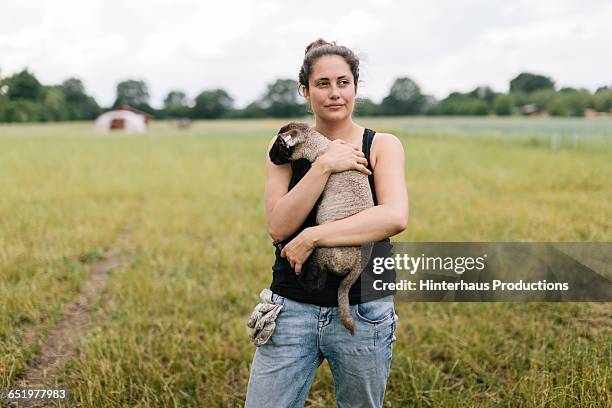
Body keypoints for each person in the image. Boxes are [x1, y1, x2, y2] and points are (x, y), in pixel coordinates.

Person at [245, 39, 409, 408]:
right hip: (291, 306)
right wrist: (325, 164)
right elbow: (278, 226)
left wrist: (314, 237)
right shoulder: (286, 145)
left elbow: (394, 217)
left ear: (355, 86)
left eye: (343, 82)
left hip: (365, 307)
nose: (334, 93)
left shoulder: (382, 145)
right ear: (305, 91)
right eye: (322, 84)